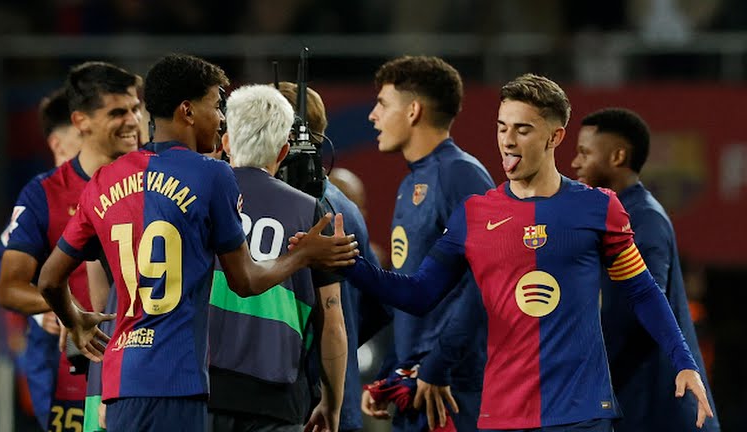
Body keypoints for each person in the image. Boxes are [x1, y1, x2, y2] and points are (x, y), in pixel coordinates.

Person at [296, 73, 715, 432]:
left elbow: (643, 292)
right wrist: (346, 262)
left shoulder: (598, 207)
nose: (507, 141)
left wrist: (684, 361)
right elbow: (419, 294)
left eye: (522, 129)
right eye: (501, 127)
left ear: (555, 136)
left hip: (581, 414)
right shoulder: (475, 215)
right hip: (501, 416)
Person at [35, 53, 356, 432]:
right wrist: (303, 253)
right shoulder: (212, 174)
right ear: (188, 110)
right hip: (179, 381)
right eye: (216, 105)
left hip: (120, 385)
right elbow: (246, 281)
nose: (221, 119)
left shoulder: (105, 179)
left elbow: (49, 280)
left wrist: (76, 322)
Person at [0, 62, 142, 431]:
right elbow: (9, 287)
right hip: (74, 375)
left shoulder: (158, 178)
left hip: (147, 369)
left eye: (136, 109)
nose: (133, 121)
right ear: (81, 121)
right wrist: (66, 308)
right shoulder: (44, 193)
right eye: (118, 112)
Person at [206, 83, 347, 432]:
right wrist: (331, 403)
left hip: (199, 388)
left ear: (225, 144)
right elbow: (332, 323)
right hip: (275, 396)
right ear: (284, 151)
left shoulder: (197, 198)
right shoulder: (311, 211)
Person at [364, 55, 493, 432]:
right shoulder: (411, 183)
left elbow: (486, 282)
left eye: (383, 104)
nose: (373, 115)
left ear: (413, 110)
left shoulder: (461, 175)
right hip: (415, 384)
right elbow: (411, 296)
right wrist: (390, 371)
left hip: (450, 389)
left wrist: (440, 363)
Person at [571, 107, 721, 432]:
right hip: (635, 406)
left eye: (584, 152)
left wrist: (572, 374)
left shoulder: (644, 219)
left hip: (662, 412)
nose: (575, 163)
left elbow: (632, 313)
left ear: (617, 156)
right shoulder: (614, 217)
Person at [278, 81, 392, 432]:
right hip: (334, 404)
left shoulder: (300, 207)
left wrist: (318, 357)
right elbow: (379, 305)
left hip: (309, 406)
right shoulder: (342, 204)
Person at [0, 86, 85, 430]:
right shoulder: (39, 199)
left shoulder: (117, 189)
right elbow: (6, 287)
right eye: (82, 136)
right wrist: (40, 313)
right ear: (59, 144)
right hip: (56, 365)